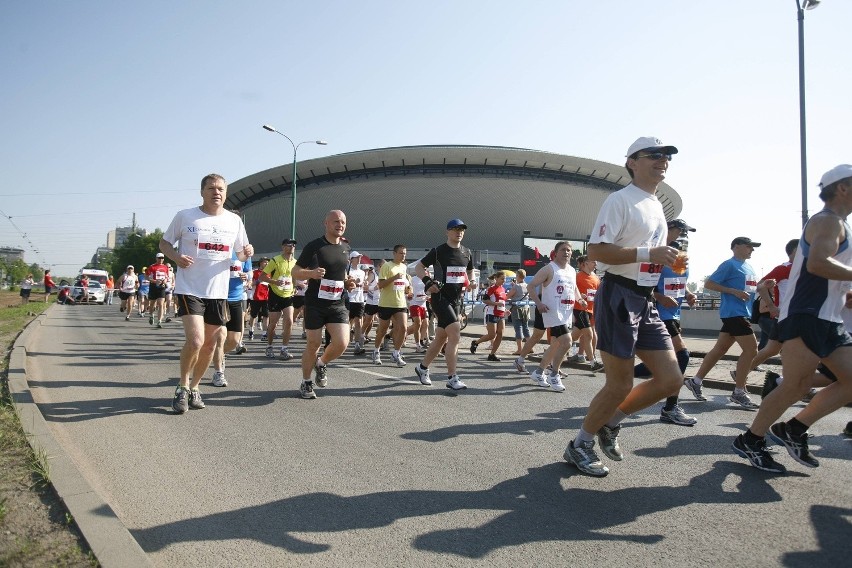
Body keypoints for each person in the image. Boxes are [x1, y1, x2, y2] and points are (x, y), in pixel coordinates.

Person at [563, 136, 683, 477]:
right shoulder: (620, 200)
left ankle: (611, 423)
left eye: (666, 157)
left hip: (645, 299)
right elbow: (598, 252)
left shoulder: (656, 204)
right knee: (619, 384)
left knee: (671, 379)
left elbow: (647, 257)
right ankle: (580, 444)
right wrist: (649, 254)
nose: (662, 161)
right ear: (632, 162)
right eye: (654, 155)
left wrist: (663, 270)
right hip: (618, 295)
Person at [733, 164, 852, 473]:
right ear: (842, 188)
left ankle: (794, 428)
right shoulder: (828, 222)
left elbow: (828, 272)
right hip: (807, 316)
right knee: (794, 386)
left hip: (830, 318)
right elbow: (817, 264)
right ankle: (751, 439)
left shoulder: (839, 224)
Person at [160, 173, 253, 414]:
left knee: (210, 345)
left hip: (218, 291)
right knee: (196, 340)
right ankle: (182, 387)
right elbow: (164, 244)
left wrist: (247, 252)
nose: (216, 192)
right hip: (189, 288)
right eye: (211, 188)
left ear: (226, 193)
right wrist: (176, 258)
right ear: (202, 192)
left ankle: (195, 387)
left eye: (220, 188)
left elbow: (240, 255)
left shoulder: (234, 221)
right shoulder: (186, 216)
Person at [633, 219, 699, 426]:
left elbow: (679, 285)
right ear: (669, 230)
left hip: (675, 314)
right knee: (682, 354)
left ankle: (623, 372)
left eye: (686, 234)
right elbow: (641, 283)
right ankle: (670, 407)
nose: (684, 236)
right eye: (682, 231)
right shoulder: (656, 255)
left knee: (662, 361)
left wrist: (688, 294)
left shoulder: (681, 260)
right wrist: (660, 298)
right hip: (659, 314)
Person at [684, 237, 761, 410]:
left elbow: (750, 290)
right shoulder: (729, 264)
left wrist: (764, 287)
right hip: (734, 313)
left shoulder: (749, 267)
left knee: (720, 349)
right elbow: (709, 283)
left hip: (742, 313)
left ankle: (695, 381)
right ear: (736, 247)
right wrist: (732, 291)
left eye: (753, 247)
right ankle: (739, 392)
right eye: (749, 246)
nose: (752, 250)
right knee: (751, 350)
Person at [291, 210, 355, 399]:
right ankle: (306, 382)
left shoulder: (346, 248)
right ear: (325, 223)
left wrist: (348, 282)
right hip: (315, 303)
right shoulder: (315, 246)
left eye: (343, 221)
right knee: (314, 343)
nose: (340, 225)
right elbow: (296, 271)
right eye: (336, 221)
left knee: (342, 343)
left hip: (337, 302)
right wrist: (310, 274)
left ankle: (321, 363)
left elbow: (341, 274)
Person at [413, 218, 475, 390]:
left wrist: (472, 281)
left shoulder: (466, 252)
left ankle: (422, 368)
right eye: (455, 229)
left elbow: (469, 272)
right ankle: (452, 377)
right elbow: (419, 267)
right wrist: (427, 282)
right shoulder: (439, 251)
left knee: (441, 337)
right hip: (440, 297)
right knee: (455, 331)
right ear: (447, 232)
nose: (459, 232)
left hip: (456, 300)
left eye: (462, 229)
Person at [527, 242, 585, 392]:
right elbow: (531, 286)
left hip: (566, 311)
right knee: (567, 342)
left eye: (569, 250)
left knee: (556, 345)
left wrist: (580, 299)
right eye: (563, 250)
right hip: (552, 312)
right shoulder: (549, 268)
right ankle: (554, 374)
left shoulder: (572, 270)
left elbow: (574, 288)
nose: (566, 252)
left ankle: (538, 372)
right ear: (556, 252)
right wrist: (539, 303)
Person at [211, 250, 252, 387]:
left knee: (234, 341)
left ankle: (219, 355)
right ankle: (218, 373)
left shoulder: (244, 253)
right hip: (219, 297)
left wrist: (246, 276)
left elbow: (249, 272)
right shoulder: (219, 249)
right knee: (220, 337)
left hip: (236, 298)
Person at [372, 245, 411, 367]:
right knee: (382, 330)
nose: (403, 255)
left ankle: (396, 353)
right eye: (401, 253)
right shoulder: (386, 266)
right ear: (394, 254)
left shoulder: (404, 267)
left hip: (400, 303)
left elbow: (402, 284)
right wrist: (394, 277)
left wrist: (407, 289)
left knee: (403, 328)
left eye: (404, 253)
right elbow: (381, 285)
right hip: (386, 303)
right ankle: (376, 351)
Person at [260, 239, 298, 360]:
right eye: (289, 245)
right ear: (283, 247)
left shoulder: (295, 262)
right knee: (273, 324)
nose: (292, 246)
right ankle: (269, 346)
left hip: (288, 295)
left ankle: (284, 349)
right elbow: (262, 276)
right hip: (275, 295)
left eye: (293, 245)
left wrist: (295, 286)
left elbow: (294, 276)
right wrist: (274, 281)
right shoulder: (275, 260)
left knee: (289, 321)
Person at [470, 272, 509, 361]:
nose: (504, 281)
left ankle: (492, 354)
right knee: (492, 335)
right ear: (496, 278)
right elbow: (484, 300)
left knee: (500, 334)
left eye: (505, 279)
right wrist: (495, 303)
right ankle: (476, 342)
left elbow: (502, 302)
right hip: (492, 313)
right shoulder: (491, 288)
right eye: (502, 279)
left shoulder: (503, 289)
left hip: (501, 314)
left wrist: (506, 310)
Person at [572, 255, 602, 370]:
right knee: (589, 334)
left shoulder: (596, 277)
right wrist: (579, 296)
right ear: (585, 263)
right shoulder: (577, 276)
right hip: (580, 309)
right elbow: (569, 290)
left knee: (571, 337)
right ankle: (593, 363)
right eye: (593, 262)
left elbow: (599, 293)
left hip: (591, 309)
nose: (596, 264)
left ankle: (554, 350)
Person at [346, 251, 368, 355]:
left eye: (359, 257)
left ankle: (357, 344)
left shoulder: (362, 272)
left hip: (359, 299)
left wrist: (364, 284)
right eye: (357, 257)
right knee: (347, 322)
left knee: (359, 321)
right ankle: (343, 341)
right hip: (349, 298)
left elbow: (363, 284)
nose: (359, 259)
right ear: (351, 259)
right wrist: (353, 282)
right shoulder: (347, 271)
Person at [506, 269, 530, 355]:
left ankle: (520, 349)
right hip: (526, 308)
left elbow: (508, 296)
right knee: (526, 328)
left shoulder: (516, 286)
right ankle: (530, 347)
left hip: (517, 309)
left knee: (518, 328)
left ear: (518, 276)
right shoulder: (527, 285)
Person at [247, 257, 271, 340]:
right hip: (256, 297)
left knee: (266, 315)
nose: (267, 264)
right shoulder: (255, 272)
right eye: (265, 262)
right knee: (253, 315)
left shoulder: (270, 273)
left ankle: (264, 333)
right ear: (260, 263)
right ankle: (251, 330)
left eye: (268, 262)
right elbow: (250, 283)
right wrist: (257, 282)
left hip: (266, 297)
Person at [146, 253, 170, 327]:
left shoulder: (166, 267)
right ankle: (151, 315)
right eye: (159, 258)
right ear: (156, 258)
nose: (161, 259)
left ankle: (159, 321)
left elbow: (167, 277)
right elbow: (147, 277)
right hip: (153, 286)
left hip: (162, 287)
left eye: (162, 258)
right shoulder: (152, 267)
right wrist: (154, 281)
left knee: (161, 304)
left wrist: (165, 281)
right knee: (152, 304)